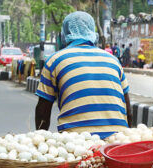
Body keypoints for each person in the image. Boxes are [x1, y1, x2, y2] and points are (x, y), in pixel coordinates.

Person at [35, 11, 132, 139]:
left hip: (75, 142)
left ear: (66, 33)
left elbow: (43, 111)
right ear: (92, 31)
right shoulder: (113, 60)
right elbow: (128, 109)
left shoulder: (55, 60)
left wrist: (39, 140)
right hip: (116, 140)